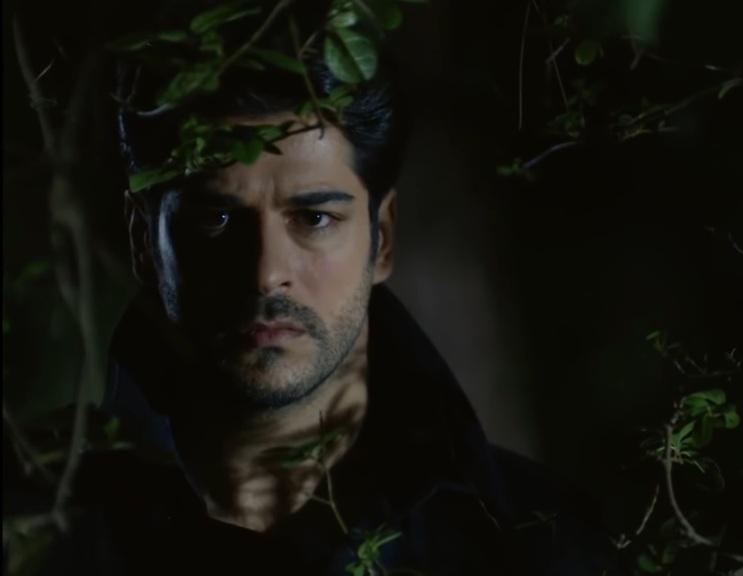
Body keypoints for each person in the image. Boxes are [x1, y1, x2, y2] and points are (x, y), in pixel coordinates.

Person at [31, 6, 624, 576]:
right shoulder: (30, 524)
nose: (267, 273)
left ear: (382, 239)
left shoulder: (541, 544)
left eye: (314, 218)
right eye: (216, 219)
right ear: (143, 240)